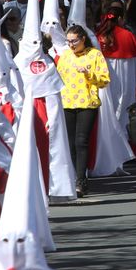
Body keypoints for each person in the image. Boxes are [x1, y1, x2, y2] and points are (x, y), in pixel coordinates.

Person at [56, 24, 109, 198]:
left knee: (81, 141)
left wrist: (88, 73)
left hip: (87, 102)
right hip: (67, 102)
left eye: (74, 41)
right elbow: (57, 77)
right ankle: (71, 179)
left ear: (83, 39)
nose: (71, 44)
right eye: (68, 41)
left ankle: (81, 181)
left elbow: (104, 80)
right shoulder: (65, 56)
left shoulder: (95, 55)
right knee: (70, 143)